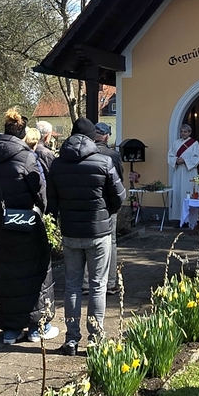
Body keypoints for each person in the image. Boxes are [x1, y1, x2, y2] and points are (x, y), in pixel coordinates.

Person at [47, 117, 125, 356]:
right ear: (93, 137)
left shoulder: (57, 165)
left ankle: (71, 339)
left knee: (72, 286)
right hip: (98, 232)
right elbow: (119, 196)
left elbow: (52, 202)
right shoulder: (104, 162)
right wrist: (106, 213)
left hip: (71, 232)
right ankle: (95, 339)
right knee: (98, 286)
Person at [0, 110, 58, 346]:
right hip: (26, 224)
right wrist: (42, 209)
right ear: (22, 134)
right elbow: (41, 193)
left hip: (1, 226)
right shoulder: (26, 157)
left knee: (7, 275)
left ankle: (11, 330)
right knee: (35, 274)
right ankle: (39, 327)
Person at [94, 122, 122, 295]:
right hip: (108, 205)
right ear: (106, 137)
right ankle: (110, 283)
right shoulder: (112, 155)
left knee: (88, 241)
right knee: (110, 242)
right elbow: (118, 181)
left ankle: (86, 282)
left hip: (88, 205)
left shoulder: (84, 153)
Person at [167, 123, 199, 220]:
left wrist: (185, 161)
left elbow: (196, 157)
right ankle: (178, 218)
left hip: (189, 172)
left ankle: (190, 219)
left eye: (185, 132)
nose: (183, 133)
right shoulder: (176, 143)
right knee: (178, 194)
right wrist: (176, 160)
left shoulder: (194, 143)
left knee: (188, 193)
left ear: (189, 132)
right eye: (181, 132)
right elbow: (170, 155)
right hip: (178, 171)